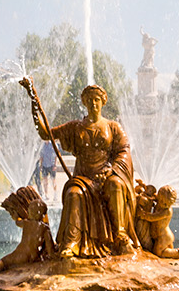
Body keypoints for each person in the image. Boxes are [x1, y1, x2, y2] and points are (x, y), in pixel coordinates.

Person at [32, 83, 138, 258]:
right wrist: (34, 106)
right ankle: (72, 242)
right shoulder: (75, 127)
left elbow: (124, 151)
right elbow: (45, 134)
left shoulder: (113, 127)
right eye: (89, 100)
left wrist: (112, 171)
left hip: (106, 176)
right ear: (84, 102)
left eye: (96, 100)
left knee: (116, 185)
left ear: (103, 102)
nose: (93, 103)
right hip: (83, 178)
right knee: (73, 194)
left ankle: (120, 235)